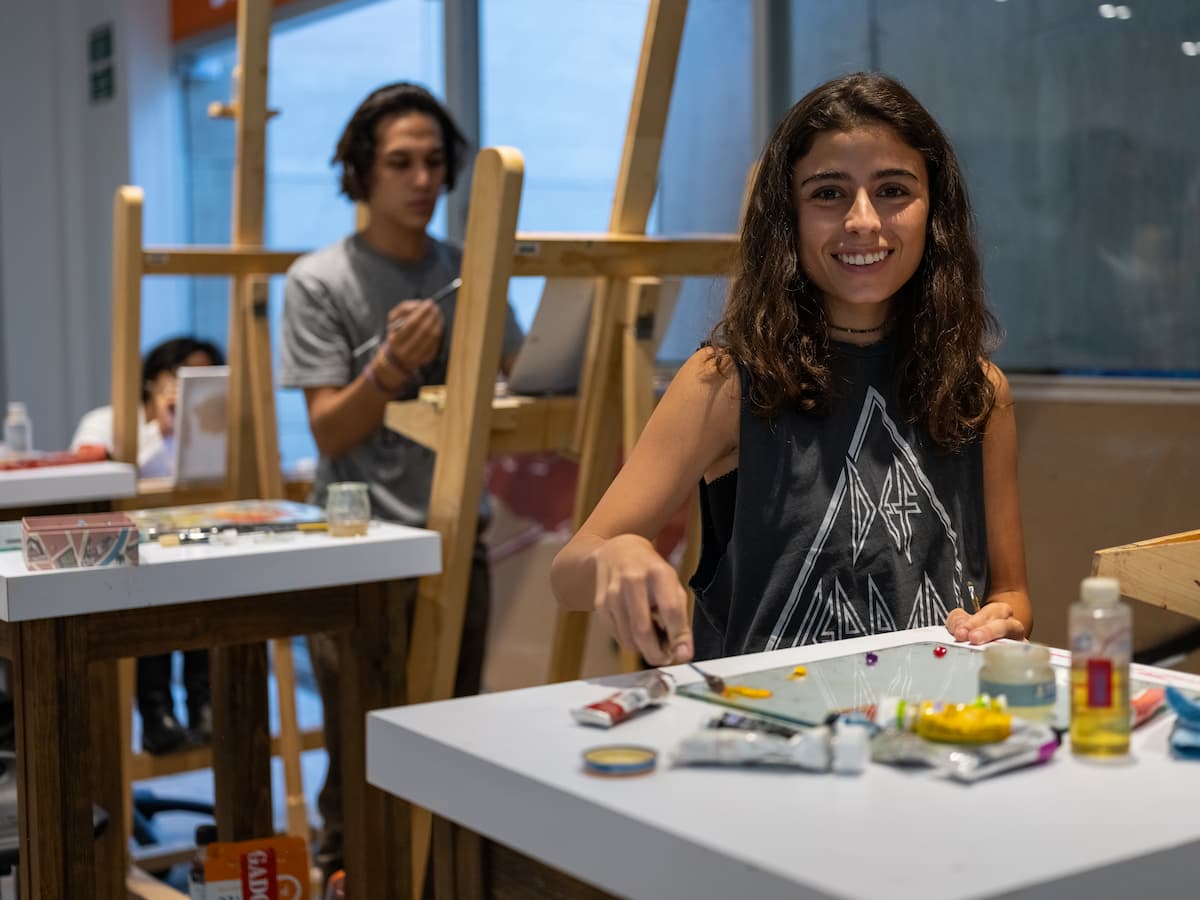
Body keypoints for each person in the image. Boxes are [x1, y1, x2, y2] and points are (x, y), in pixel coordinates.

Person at [551, 72, 1032, 666]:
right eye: (828, 193)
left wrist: (1002, 619)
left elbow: (1010, 593)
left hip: (935, 736)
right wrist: (614, 557)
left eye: (893, 190)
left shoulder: (979, 391)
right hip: (760, 739)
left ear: (934, 211)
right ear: (789, 215)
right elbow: (570, 571)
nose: (862, 220)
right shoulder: (724, 381)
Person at [278, 82, 522, 882]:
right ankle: (351, 876)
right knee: (361, 755)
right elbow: (328, 430)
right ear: (361, 171)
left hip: (458, 541)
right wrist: (390, 366)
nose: (423, 180)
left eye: (435, 162)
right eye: (400, 163)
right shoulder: (320, 280)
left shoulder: (466, 269)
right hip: (361, 550)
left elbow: (519, 382)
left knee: (453, 743)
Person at [72, 335, 225, 753]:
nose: (191, 387)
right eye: (180, 376)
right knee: (153, 604)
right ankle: (157, 714)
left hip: (194, 548)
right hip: (127, 553)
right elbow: (106, 487)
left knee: (206, 591)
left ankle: (203, 704)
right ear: (153, 379)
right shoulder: (104, 422)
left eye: (206, 378)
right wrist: (162, 427)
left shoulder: (216, 428)